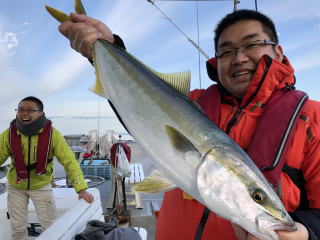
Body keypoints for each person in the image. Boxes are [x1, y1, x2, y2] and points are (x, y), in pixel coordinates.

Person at [58, 9, 320, 240]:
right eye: (226, 51)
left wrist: (307, 232)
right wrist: (107, 48)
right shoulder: (193, 103)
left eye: (252, 44)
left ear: (278, 51)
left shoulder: (312, 119)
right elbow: (135, 102)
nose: (239, 58)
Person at [0, 96, 94, 240]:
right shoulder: (9, 134)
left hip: (41, 185)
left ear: (41, 113)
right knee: (17, 228)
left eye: (31, 110)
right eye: (21, 109)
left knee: (50, 227)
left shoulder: (52, 134)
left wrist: (81, 189)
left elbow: (69, 161)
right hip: (16, 185)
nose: (24, 113)